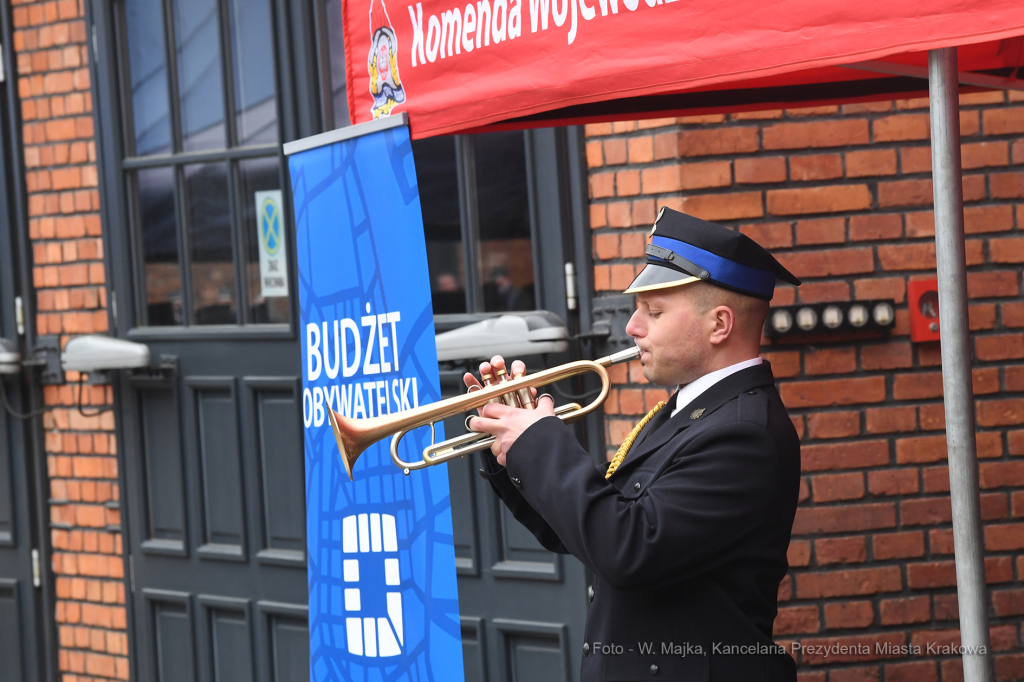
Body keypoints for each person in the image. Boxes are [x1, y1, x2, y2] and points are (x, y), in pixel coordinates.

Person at [465, 207, 803, 681]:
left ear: (720, 325)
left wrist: (539, 442)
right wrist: (508, 441)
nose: (632, 327)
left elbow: (627, 548)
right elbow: (585, 531)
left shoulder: (745, 433)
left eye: (654, 312)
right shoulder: (684, 410)